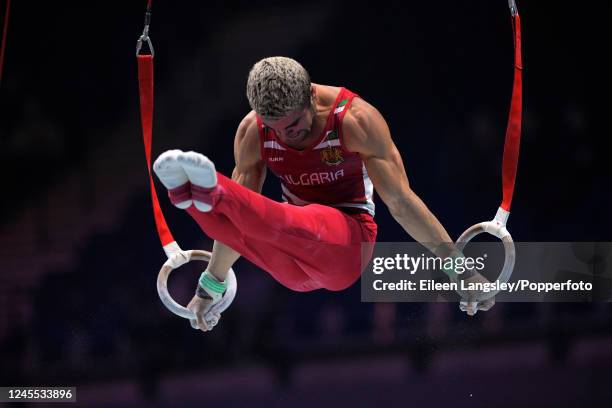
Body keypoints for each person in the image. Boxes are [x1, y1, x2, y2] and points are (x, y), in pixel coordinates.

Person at [153, 56, 494, 331]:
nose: (291, 135)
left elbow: (402, 203)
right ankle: (188, 196)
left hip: (347, 245)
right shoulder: (253, 132)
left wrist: (459, 268)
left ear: (312, 97)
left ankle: (210, 189)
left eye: (296, 124)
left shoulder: (355, 120)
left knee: (286, 218)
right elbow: (241, 221)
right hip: (292, 259)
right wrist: (209, 288)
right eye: (280, 130)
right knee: (246, 222)